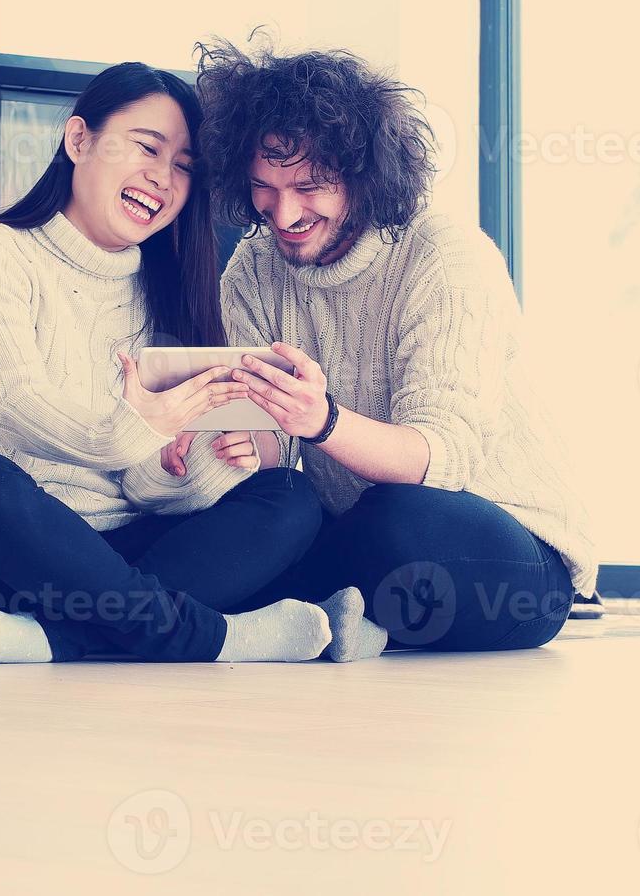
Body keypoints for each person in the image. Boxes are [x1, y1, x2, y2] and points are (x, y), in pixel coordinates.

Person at [0, 61, 351, 666]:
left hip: (105, 570)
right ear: (78, 140)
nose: (162, 178)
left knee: (288, 498)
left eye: (183, 167)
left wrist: (181, 461)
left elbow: (145, 486)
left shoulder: (164, 292)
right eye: (147, 149)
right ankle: (211, 637)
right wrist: (142, 426)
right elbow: (15, 405)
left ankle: (50, 641)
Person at [182, 38, 599, 660]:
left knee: (398, 522)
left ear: (364, 174)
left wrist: (320, 421)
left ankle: (254, 615)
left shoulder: (444, 254)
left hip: (504, 551)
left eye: (310, 185)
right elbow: (277, 452)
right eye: (263, 187)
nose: (283, 211)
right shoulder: (252, 269)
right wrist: (237, 441)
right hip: (354, 534)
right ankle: (318, 619)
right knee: (272, 514)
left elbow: (444, 459)